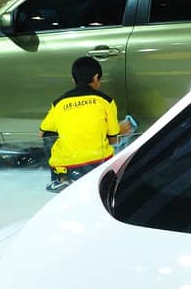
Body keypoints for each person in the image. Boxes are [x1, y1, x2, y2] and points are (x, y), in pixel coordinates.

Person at [39, 56, 133, 193]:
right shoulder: (106, 101)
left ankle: (62, 179)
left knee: (49, 134)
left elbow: (42, 134)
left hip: (67, 164)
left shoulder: (58, 103)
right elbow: (113, 140)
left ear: (73, 80)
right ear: (96, 78)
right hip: (99, 162)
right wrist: (121, 130)